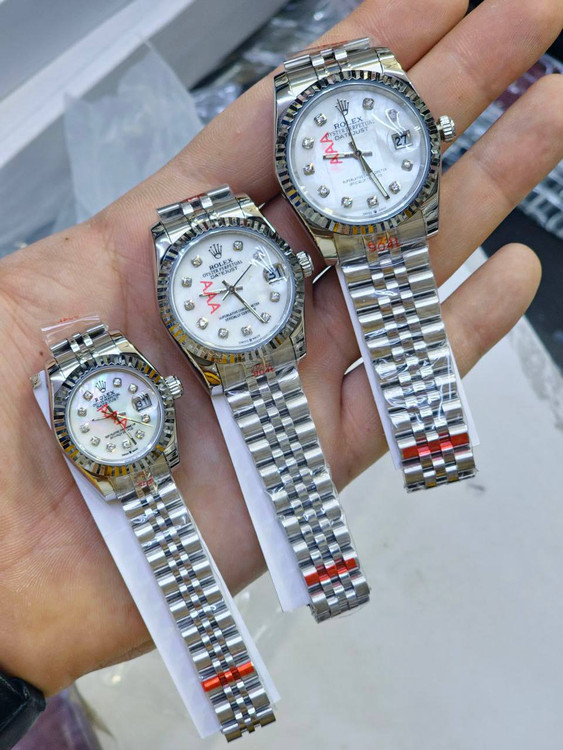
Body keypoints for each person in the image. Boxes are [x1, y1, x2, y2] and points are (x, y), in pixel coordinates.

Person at [0, 0, 561, 743]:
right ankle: (363, 530)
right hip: (221, 372)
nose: (352, 154)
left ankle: (430, 450)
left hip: (336, 269)